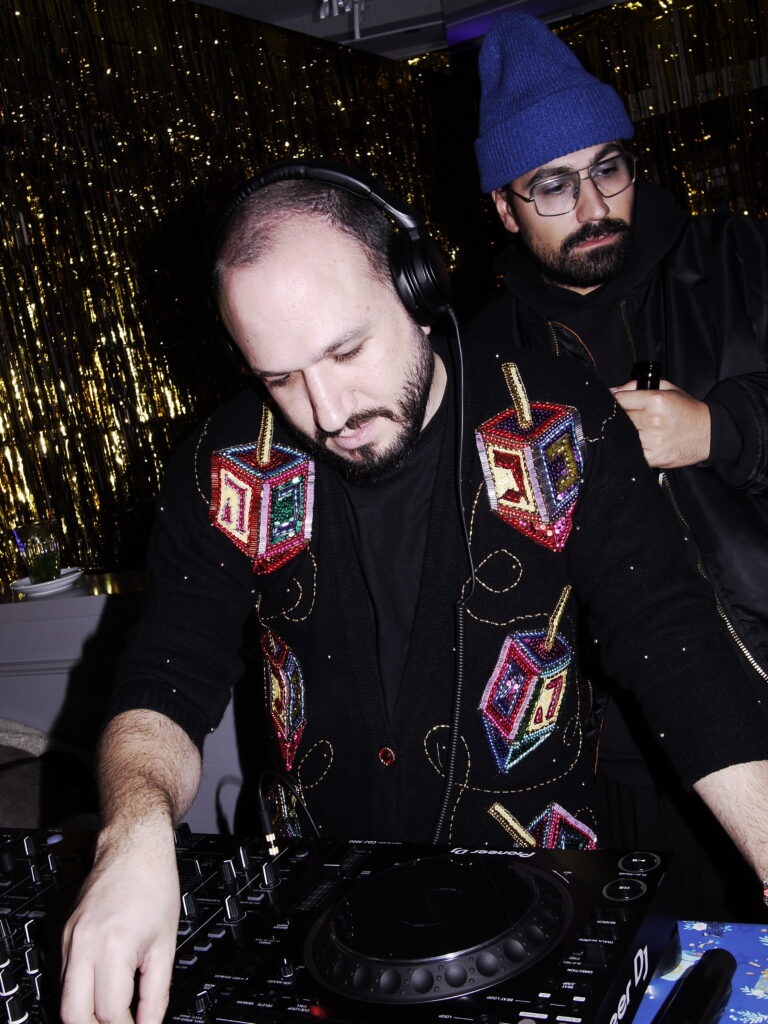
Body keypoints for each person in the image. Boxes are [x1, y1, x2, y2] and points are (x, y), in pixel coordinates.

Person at [60, 160, 768, 1024]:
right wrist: (131, 833)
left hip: (541, 903)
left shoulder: (559, 420)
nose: (327, 411)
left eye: (346, 351)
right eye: (280, 378)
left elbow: (673, 643)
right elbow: (168, 672)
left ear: (417, 287)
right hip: (326, 916)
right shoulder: (226, 463)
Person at [470, 12, 768, 919]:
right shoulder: (484, 354)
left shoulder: (741, 260)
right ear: (504, 206)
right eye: (552, 185)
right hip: (634, 751)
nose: (595, 205)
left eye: (609, 168)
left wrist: (721, 429)